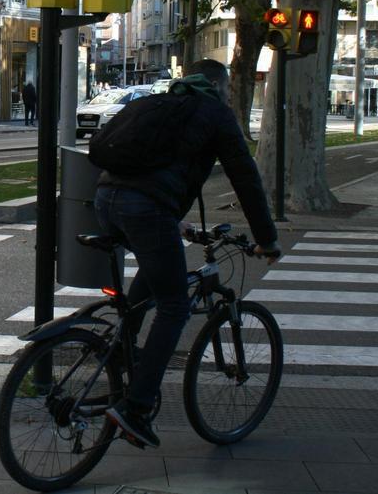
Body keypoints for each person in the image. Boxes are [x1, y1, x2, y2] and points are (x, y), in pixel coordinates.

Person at [93, 58, 280, 449]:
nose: (230, 95)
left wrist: (170, 218)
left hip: (106, 199)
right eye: (228, 88)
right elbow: (244, 176)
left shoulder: (160, 102)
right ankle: (136, 408)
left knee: (151, 279)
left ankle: (120, 357)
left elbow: (147, 164)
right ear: (218, 84)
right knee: (175, 306)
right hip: (145, 208)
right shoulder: (214, 111)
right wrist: (266, 238)